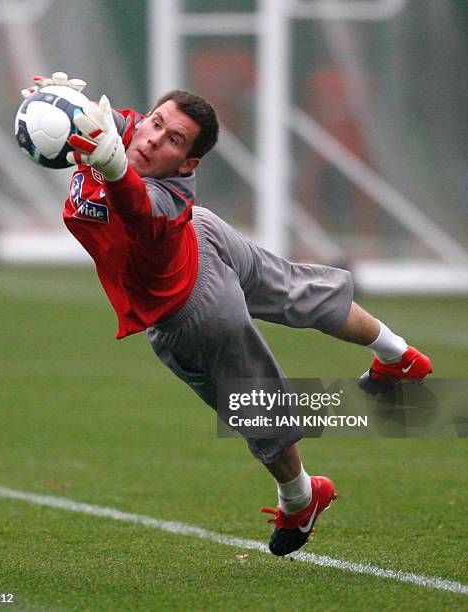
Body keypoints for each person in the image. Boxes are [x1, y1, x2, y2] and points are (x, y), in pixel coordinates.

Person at [22, 73, 433, 557]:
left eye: (172, 140)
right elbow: (112, 121)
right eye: (155, 123)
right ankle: (398, 355)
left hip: (192, 309)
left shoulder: (158, 199)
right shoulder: (132, 135)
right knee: (299, 289)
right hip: (203, 234)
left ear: (188, 163)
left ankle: (302, 499)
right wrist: (63, 102)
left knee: (255, 406)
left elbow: (134, 205)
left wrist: (114, 165)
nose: (152, 138)